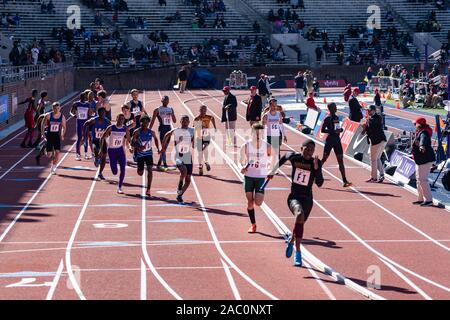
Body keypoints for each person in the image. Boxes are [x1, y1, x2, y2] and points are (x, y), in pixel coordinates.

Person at [267, 139, 324, 267]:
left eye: (312, 150)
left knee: (300, 224)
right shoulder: (294, 157)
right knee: (299, 215)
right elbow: (284, 157)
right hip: (294, 197)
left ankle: (291, 241)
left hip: (308, 200)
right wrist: (273, 171)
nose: (309, 152)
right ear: (301, 148)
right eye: (307, 149)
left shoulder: (316, 162)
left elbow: (320, 183)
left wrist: (316, 169)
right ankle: (298, 252)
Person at [240, 123, 274, 233]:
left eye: (260, 133)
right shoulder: (246, 146)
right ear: (252, 133)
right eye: (256, 133)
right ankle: (253, 225)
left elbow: (274, 158)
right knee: (250, 202)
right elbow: (241, 160)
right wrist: (242, 167)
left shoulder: (267, 146)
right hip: (249, 176)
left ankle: (257, 197)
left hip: (260, 177)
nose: (258, 135)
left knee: (258, 203)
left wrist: (271, 169)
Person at [161, 115, 195, 203]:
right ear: (180, 121)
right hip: (179, 155)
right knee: (184, 171)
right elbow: (166, 135)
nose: (185, 122)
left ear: (189, 122)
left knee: (188, 180)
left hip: (188, 156)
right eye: (183, 121)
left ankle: (179, 195)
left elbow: (194, 142)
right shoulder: (176, 130)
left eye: (187, 121)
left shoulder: (192, 130)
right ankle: (180, 184)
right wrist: (163, 148)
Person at [320, 103, 352, 187]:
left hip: (337, 140)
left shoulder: (336, 117)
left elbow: (337, 128)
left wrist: (340, 130)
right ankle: (315, 173)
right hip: (330, 140)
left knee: (340, 160)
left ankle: (344, 180)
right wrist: (332, 131)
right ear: (331, 109)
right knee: (324, 159)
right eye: (335, 107)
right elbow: (323, 130)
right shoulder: (327, 118)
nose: (336, 108)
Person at [100, 113, 132, 194]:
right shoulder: (111, 128)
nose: (121, 120)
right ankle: (114, 168)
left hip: (120, 150)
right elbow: (102, 137)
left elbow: (129, 140)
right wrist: (101, 149)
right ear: (116, 118)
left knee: (123, 169)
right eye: (120, 118)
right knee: (114, 172)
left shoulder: (125, 129)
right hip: (111, 151)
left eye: (122, 119)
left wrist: (131, 148)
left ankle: (120, 187)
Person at [132, 115, 160, 197]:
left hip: (148, 154)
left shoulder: (151, 132)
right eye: (143, 122)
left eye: (146, 122)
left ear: (148, 123)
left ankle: (148, 189)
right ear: (140, 123)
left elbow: (155, 139)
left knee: (150, 170)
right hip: (140, 154)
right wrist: (139, 147)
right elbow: (132, 143)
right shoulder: (137, 132)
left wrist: (158, 148)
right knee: (140, 173)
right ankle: (140, 167)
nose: (144, 124)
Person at [411, 117, 436, 206]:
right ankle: (421, 198)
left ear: (420, 124)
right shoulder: (420, 131)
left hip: (425, 160)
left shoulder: (424, 132)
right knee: (419, 179)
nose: (414, 125)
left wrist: (422, 146)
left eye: (416, 124)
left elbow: (423, 140)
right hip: (420, 160)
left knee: (423, 180)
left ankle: (429, 200)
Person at [82, 106, 110, 180]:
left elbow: (110, 130)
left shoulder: (107, 121)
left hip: (103, 141)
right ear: (98, 113)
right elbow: (85, 124)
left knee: (104, 157)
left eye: (104, 113)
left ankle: (100, 173)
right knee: (96, 150)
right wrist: (84, 135)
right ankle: (96, 157)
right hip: (95, 140)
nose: (103, 114)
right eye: (101, 113)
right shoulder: (94, 120)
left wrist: (109, 135)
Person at [150, 95, 176, 170]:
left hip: (169, 129)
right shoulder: (157, 110)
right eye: (164, 100)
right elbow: (153, 120)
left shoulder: (170, 109)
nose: (166, 101)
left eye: (167, 100)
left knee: (165, 147)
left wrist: (172, 114)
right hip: (162, 129)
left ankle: (159, 163)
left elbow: (174, 121)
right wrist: (149, 129)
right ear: (162, 101)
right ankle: (164, 164)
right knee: (163, 146)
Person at [362, 105, 387, 183]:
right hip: (381, 140)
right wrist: (365, 127)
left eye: (369, 110)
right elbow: (367, 129)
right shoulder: (373, 118)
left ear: (373, 110)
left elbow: (372, 126)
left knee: (373, 159)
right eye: (367, 111)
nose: (368, 112)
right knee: (377, 158)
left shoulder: (375, 118)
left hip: (377, 141)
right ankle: (382, 174)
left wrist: (366, 125)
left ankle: (374, 177)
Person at [41, 102, 66, 175]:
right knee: (49, 155)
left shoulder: (62, 117)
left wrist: (62, 134)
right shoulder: (48, 116)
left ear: (60, 108)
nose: (56, 110)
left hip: (57, 136)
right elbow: (43, 124)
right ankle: (45, 148)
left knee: (57, 152)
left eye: (58, 108)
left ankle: (53, 167)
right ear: (52, 108)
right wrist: (43, 133)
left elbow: (64, 127)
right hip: (49, 136)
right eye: (55, 108)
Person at [193, 105, 216, 175]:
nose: (203, 111)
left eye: (204, 110)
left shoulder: (208, 117)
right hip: (199, 136)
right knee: (201, 152)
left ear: (206, 110)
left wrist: (215, 127)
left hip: (206, 136)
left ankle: (205, 162)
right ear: (199, 110)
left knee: (204, 148)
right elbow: (193, 128)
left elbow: (213, 118)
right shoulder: (196, 118)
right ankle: (201, 167)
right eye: (202, 110)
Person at [262, 98, 287, 162]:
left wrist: (284, 135)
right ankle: (269, 164)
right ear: (270, 105)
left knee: (276, 152)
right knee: (269, 152)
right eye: (273, 105)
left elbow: (281, 125)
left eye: (276, 105)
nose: (275, 107)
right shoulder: (266, 115)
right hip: (269, 135)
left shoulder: (278, 114)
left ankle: (276, 166)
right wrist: (262, 136)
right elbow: (263, 127)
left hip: (276, 135)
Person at [70, 92, 91, 161]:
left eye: (85, 97)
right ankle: (77, 154)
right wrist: (73, 115)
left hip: (86, 122)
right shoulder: (76, 104)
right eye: (82, 97)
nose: (84, 98)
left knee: (85, 138)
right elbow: (71, 112)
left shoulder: (88, 104)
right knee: (79, 138)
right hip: (79, 122)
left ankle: (86, 153)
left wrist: (92, 114)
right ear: (80, 97)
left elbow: (90, 113)